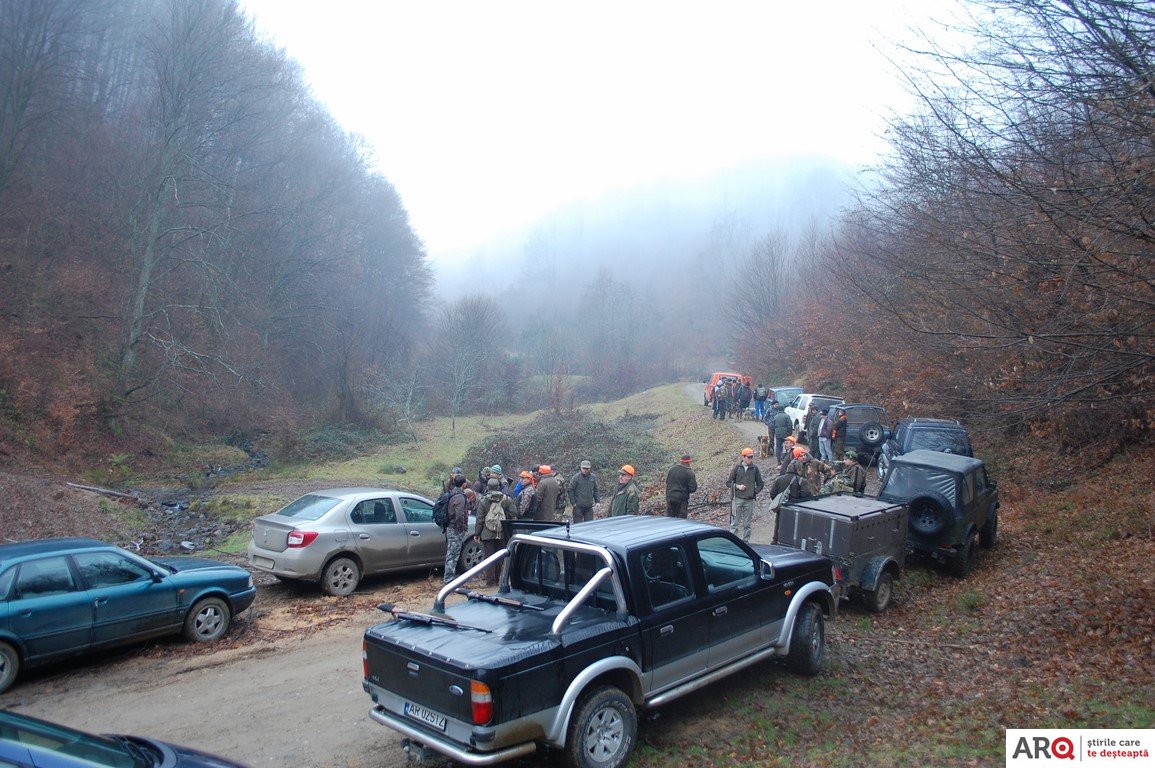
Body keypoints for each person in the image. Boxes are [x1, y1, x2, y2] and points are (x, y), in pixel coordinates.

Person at [477, 478, 515, 585]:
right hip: (502, 532)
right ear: (498, 486)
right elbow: (513, 512)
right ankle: (498, 579)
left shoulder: (484, 500)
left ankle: (489, 581)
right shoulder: (506, 499)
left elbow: (480, 519)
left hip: (487, 533)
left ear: (488, 487)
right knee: (499, 556)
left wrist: (477, 533)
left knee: (489, 556)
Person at [727, 447, 763, 542]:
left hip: (749, 500)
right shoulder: (737, 468)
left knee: (747, 524)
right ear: (743, 457)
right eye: (749, 457)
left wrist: (754, 492)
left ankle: (746, 542)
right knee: (734, 523)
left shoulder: (755, 469)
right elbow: (728, 483)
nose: (751, 459)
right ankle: (733, 542)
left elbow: (760, 484)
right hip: (737, 499)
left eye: (752, 457)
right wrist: (737, 487)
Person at [442, 476, 469, 583]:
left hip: (450, 527)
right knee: (453, 553)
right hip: (455, 529)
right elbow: (459, 515)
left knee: (451, 553)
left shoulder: (451, 493)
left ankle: (449, 576)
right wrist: (461, 527)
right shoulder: (460, 497)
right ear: (464, 484)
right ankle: (449, 579)